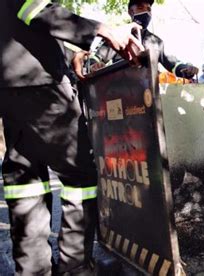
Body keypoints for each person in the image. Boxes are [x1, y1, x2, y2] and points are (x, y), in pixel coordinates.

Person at [0, 0, 143, 274]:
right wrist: (101, 29)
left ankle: (33, 269)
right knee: (81, 175)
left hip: (8, 87)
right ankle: (75, 266)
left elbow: (19, 28)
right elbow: (33, 9)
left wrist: (69, 57)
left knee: (25, 179)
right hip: (41, 85)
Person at [76, 0, 198, 81]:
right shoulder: (119, 36)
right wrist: (94, 65)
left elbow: (173, 65)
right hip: (120, 93)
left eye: (149, 9)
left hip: (149, 96)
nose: (146, 12)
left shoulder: (156, 42)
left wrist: (186, 69)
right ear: (131, 12)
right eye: (140, 7)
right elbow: (96, 58)